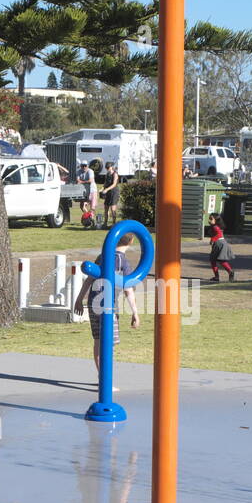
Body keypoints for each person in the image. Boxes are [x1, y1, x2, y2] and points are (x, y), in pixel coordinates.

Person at [73, 231, 140, 378]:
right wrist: (135, 312)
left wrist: (79, 300)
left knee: (98, 341)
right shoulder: (123, 261)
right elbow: (128, 289)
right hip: (108, 306)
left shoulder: (102, 257)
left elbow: (88, 280)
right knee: (108, 343)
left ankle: (101, 376)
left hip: (93, 303)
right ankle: (105, 380)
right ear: (131, 241)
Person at [207, 213, 235, 281]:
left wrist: (212, 240)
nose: (210, 220)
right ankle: (230, 271)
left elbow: (218, 233)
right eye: (209, 219)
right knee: (221, 260)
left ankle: (217, 277)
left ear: (216, 220)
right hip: (222, 243)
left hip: (218, 243)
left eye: (211, 219)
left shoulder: (215, 227)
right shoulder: (218, 226)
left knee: (213, 260)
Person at [99, 162, 121, 228]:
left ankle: (114, 224)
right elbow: (105, 183)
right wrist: (102, 188)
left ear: (111, 167)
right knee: (106, 207)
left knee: (113, 209)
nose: (107, 169)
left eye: (108, 167)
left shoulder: (115, 174)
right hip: (108, 192)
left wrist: (106, 189)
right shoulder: (107, 174)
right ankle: (105, 223)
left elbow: (114, 184)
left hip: (114, 192)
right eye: (106, 168)